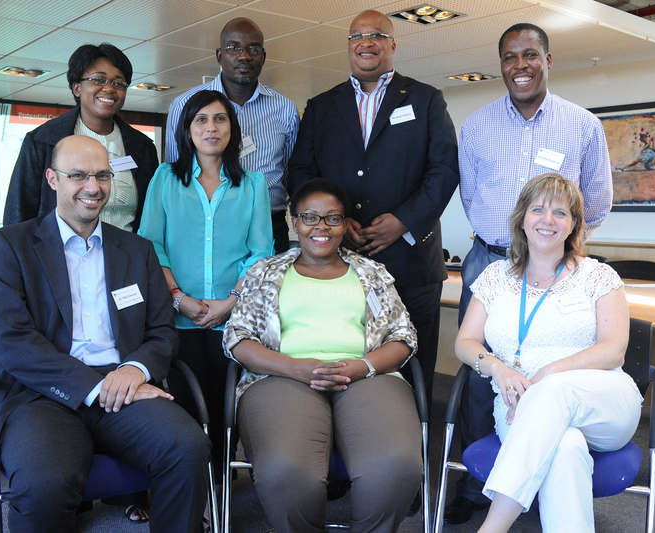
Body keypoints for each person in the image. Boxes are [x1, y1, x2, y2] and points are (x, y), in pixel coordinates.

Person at [0, 135, 210, 533]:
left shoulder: (137, 251)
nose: (93, 186)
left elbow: (161, 331)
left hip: (124, 388)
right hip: (42, 395)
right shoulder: (11, 246)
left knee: (188, 448)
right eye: (78, 175)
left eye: (102, 175)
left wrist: (135, 370)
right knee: (44, 484)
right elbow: (10, 340)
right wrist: (96, 385)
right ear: (52, 179)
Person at [451, 22, 614, 523]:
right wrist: (505, 245)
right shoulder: (476, 125)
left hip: (556, 260)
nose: (518, 66)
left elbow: (597, 198)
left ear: (548, 59)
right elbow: (469, 193)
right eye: (508, 57)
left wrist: (557, 244)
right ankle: (479, 487)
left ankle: (529, 477)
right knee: (482, 369)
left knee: (552, 356)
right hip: (491, 257)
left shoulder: (581, 124)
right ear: (500, 64)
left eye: (529, 55)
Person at [222, 178, 422, 533]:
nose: (321, 227)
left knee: (397, 466)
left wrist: (363, 366)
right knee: (285, 469)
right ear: (294, 222)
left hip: (368, 376)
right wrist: (295, 368)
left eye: (333, 218)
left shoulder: (371, 273)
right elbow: (237, 338)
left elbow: (404, 336)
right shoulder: (264, 272)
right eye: (310, 217)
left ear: (345, 225)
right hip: (280, 377)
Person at [287, 9, 460, 408]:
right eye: (357, 36)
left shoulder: (425, 99)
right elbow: (300, 171)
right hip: (339, 262)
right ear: (348, 47)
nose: (367, 42)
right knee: (346, 366)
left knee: (415, 369)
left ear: (393, 45)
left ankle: (414, 458)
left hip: (411, 261)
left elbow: (445, 168)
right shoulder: (321, 106)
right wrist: (335, 220)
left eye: (377, 35)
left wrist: (403, 221)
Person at [454, 173, 642, 533]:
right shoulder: (495, 276)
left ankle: (491, 528)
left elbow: (614, 351)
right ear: (522, 218)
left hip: (602, 401)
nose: (548, 220)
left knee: (553, 390)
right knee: (567, 447)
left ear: (573, 225)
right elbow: (466, 343)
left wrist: (549, 374)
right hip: (516, 404)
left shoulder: (597, 276)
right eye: (538, 209)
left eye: (561, 213)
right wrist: (497, 368)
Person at [139, 90, 273, 482]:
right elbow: (151, 245)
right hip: (177, 317)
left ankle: (221, 488)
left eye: (220, 119)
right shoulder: (165, 179)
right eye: (201, 119)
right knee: (184, 407)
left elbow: (260, 253)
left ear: (232, 128)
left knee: (225, 408)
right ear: (187, 129)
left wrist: (229, 302)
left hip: (233, 320)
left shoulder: (253, 185)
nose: (211, 128)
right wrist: (179, 298)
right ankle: (190, 487)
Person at [165, 17, 299, 252]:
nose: (244, 56)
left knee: (266, 289)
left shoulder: (285, 109)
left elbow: (291, 171)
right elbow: (176, 169)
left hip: (269, 222)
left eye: (254, 49)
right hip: (203, 222)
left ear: (263, 57)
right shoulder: (184, 104)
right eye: (234, 48)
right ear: (219, 55)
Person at [4, 43, 159, 234]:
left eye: (118, 83)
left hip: (125, 258)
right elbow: (18, 213)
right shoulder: (42, 141)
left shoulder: (142, 147)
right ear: (77, 87)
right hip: (56, 258)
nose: (109, 88)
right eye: (98, 80)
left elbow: (152, 215)